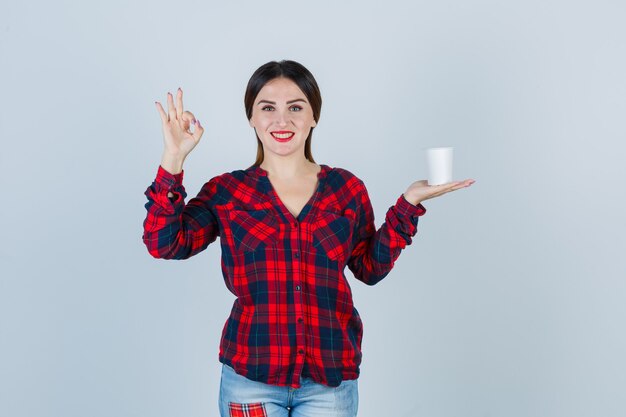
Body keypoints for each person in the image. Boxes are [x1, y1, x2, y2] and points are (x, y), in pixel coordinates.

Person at [142, 60, 474, 417]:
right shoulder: (227, 191)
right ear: (251, 117)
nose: (282, 121)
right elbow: (164, 243)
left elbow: (369, 268)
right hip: (250, 380)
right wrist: (172, 160)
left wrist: (408, 205)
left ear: (314, 116)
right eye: (267, 108)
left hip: (328, 383)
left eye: (295, 108)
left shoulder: (346, 189)